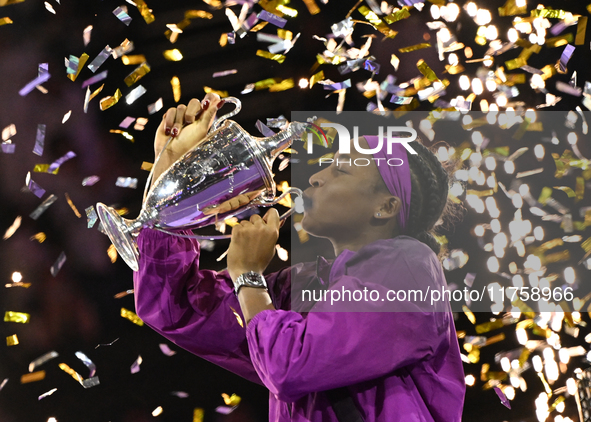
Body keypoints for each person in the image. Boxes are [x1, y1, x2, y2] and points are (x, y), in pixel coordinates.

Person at [133, 94, 466, 421]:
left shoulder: (411, 266)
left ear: (386, 206)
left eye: (342, 171)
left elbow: (291, 365)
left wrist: (248, 276)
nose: (316, 177)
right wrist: (172, 171)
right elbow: (173, 307)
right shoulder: (302, 283)